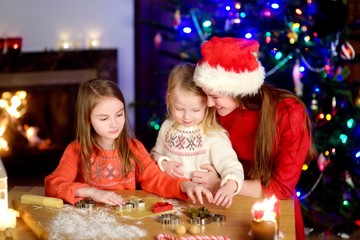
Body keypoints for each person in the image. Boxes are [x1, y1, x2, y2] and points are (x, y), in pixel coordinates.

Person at [191, 36, 317, 240]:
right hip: (224, 205)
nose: (210, 103)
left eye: (215, 96)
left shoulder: (289, 113)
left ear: (237, 88)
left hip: (268, 212)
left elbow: (281, 189)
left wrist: (220, 183)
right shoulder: (217, 112)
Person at [45, 78, 213, 206]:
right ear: (87, 120)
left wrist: (185, 185)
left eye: (119, 114)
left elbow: (156, 179)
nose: (115, 124)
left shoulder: (134, 147)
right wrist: (91, 192)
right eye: (104, 118)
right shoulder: (76, 150)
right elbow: (53, 184)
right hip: (90, 222)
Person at [150, 63, 244, 208]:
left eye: (195, 109)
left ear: (207, 103)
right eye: (179, 109)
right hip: (169, 202)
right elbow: (154, 154)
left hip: (202, 205)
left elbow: (231, 166)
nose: (187, 117)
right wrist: (163, 162)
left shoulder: (213, 134)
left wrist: (229, 187)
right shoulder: (167, 127)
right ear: (170, 100)